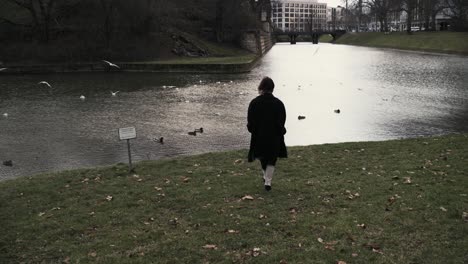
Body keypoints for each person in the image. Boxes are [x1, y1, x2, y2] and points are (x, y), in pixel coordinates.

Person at [247, 77, 287, 191]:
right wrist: (281, 131)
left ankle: (266, 177)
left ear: (261, 88)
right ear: (272, 88)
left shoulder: (254, 103)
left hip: (259, 135)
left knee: (262, 157)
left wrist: (252, 130)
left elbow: (250, 121)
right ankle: (268, 181)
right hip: (274, 136)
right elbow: (282, 120)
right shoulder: (279, 104)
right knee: (272, 158)